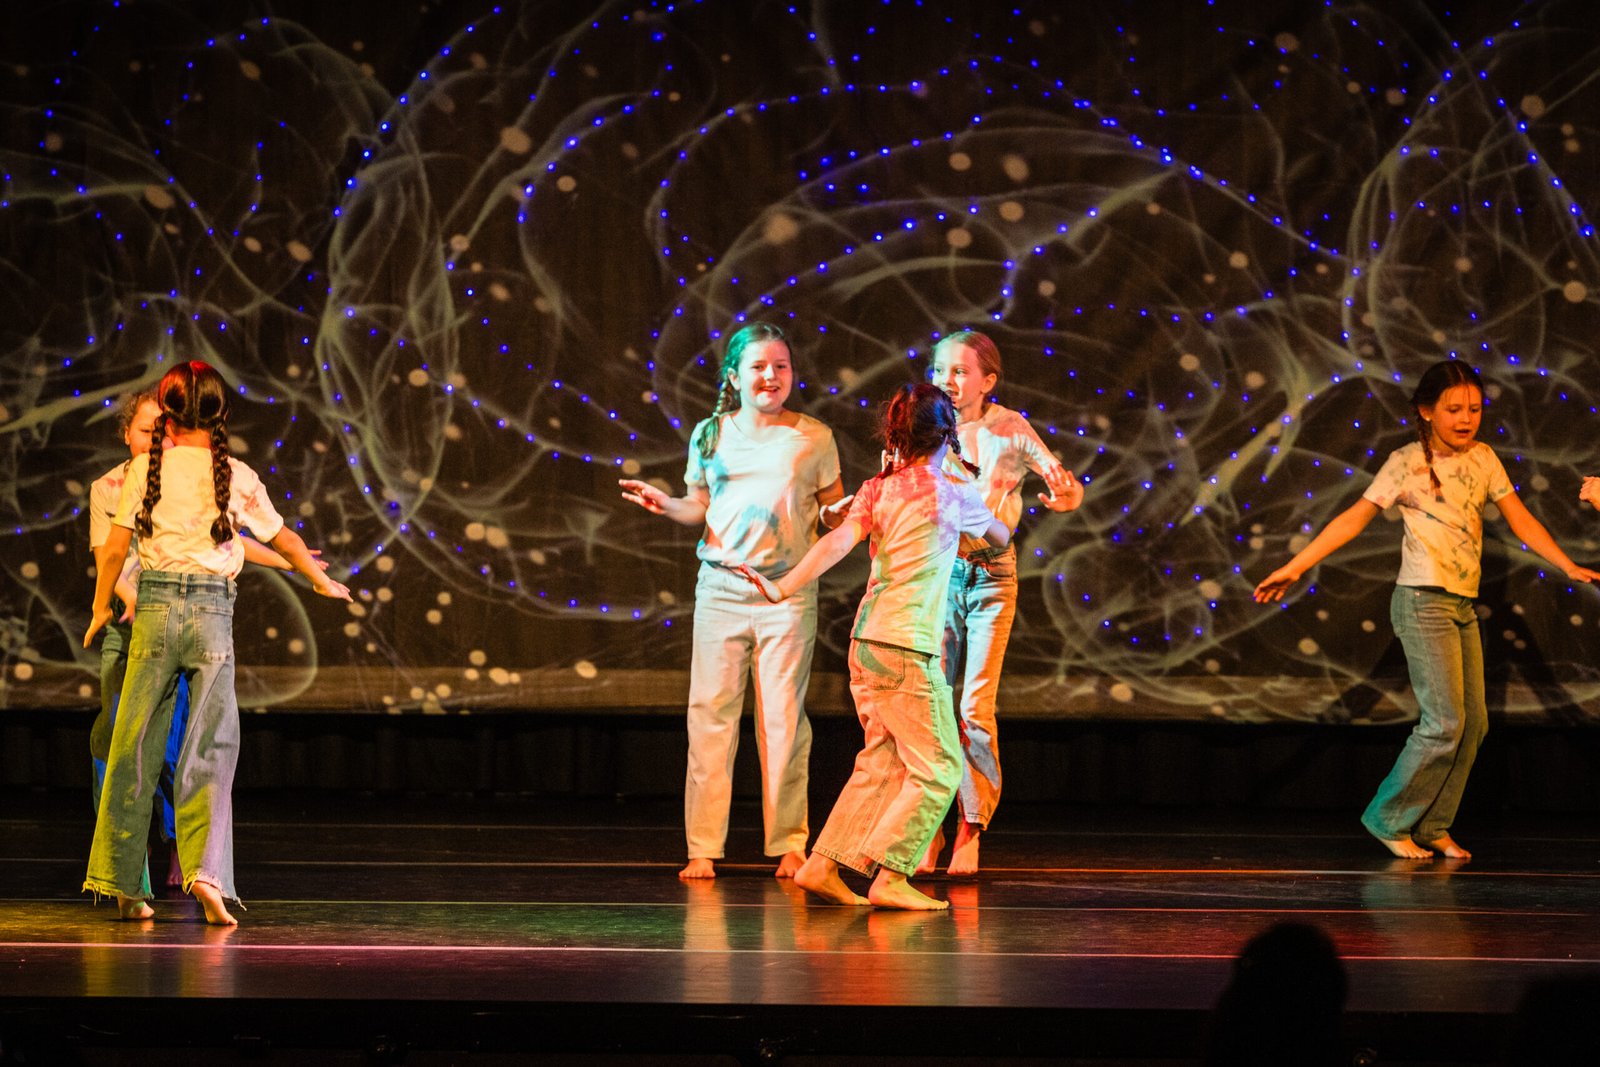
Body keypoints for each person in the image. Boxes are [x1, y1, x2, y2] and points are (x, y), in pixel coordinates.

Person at [1254, 360, 1599, 859]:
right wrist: (1294, 567)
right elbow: (1353, 519)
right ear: (1426, 410)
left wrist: (1567, 564)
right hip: (1421, 601)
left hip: (1461, 604)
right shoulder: (1406, 462)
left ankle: (1434, 823)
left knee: (1474, 724)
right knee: (1443, 723)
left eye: (1474, 409)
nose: (1466, 419)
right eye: (1454, 409)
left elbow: (1520, 519)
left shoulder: (1483, 458)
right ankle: (1388, 817)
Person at [83, 361, 349, 924]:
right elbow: (284, 537)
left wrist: (100, 604)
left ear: (168, 414)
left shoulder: (145, 469)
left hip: (155, 613)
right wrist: (319, 580)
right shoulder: (236, 473)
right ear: (219, 414)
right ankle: (205, 874)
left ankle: (126, 883)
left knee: (132, 747)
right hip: (210, 616)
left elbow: (113, 551)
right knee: (211, 746)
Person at [737, 383, 1008, 910]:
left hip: (867, 645)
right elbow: (999, 535)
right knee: (940, 768)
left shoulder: (878, 489)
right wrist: (968, 476)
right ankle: (891, 875)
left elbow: (837, 541)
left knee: (882, 764)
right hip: (908, 649)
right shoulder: (952, 493)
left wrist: (782, 587)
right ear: (947, 434)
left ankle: (822, 866)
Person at [619, 323, 846, 880]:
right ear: (735, 377)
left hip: (787, 594)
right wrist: (667, 504)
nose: (771, 376)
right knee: (710, 718)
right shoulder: (710, 434)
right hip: (722, 589)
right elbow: (698, 506)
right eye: (758, 367)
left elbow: (832, 512)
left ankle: (789, 844)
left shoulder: (813, 436)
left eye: (781, 366)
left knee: (784, 723)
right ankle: (703, 847)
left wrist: (852, 510)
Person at [920, 329, 1083, 875]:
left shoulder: (1008, 428)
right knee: (934, 705)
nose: (947, 380)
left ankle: (971, 825)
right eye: (940, 369)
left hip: (991, 576)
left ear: (987, 381)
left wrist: (1066, 496)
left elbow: (1065, 483)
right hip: (940, 575)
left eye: (960, 371)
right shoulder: (925, 426)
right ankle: (929, 827)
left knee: (973, 707)